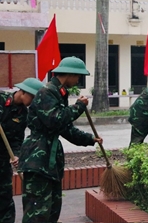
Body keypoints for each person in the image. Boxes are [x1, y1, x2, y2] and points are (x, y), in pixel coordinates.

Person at [18, 57, 103, 223]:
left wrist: (90, 139)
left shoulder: (59, 94)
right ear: (69, 74)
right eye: (78, 76)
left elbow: (66, 129)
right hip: (37, 161)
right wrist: (79, 106)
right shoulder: (47, 92)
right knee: (37, 213)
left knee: (52, 210)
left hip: (50, 163)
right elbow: (55, 120)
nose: (78, 80)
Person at [0, 78, 44, 223]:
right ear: (23, 92)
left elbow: (17, 139)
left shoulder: (23, 113)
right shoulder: (1, 98)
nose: (33, 102)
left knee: (5, 196)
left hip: (2, 159)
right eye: (32, 97)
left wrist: (16, 155)